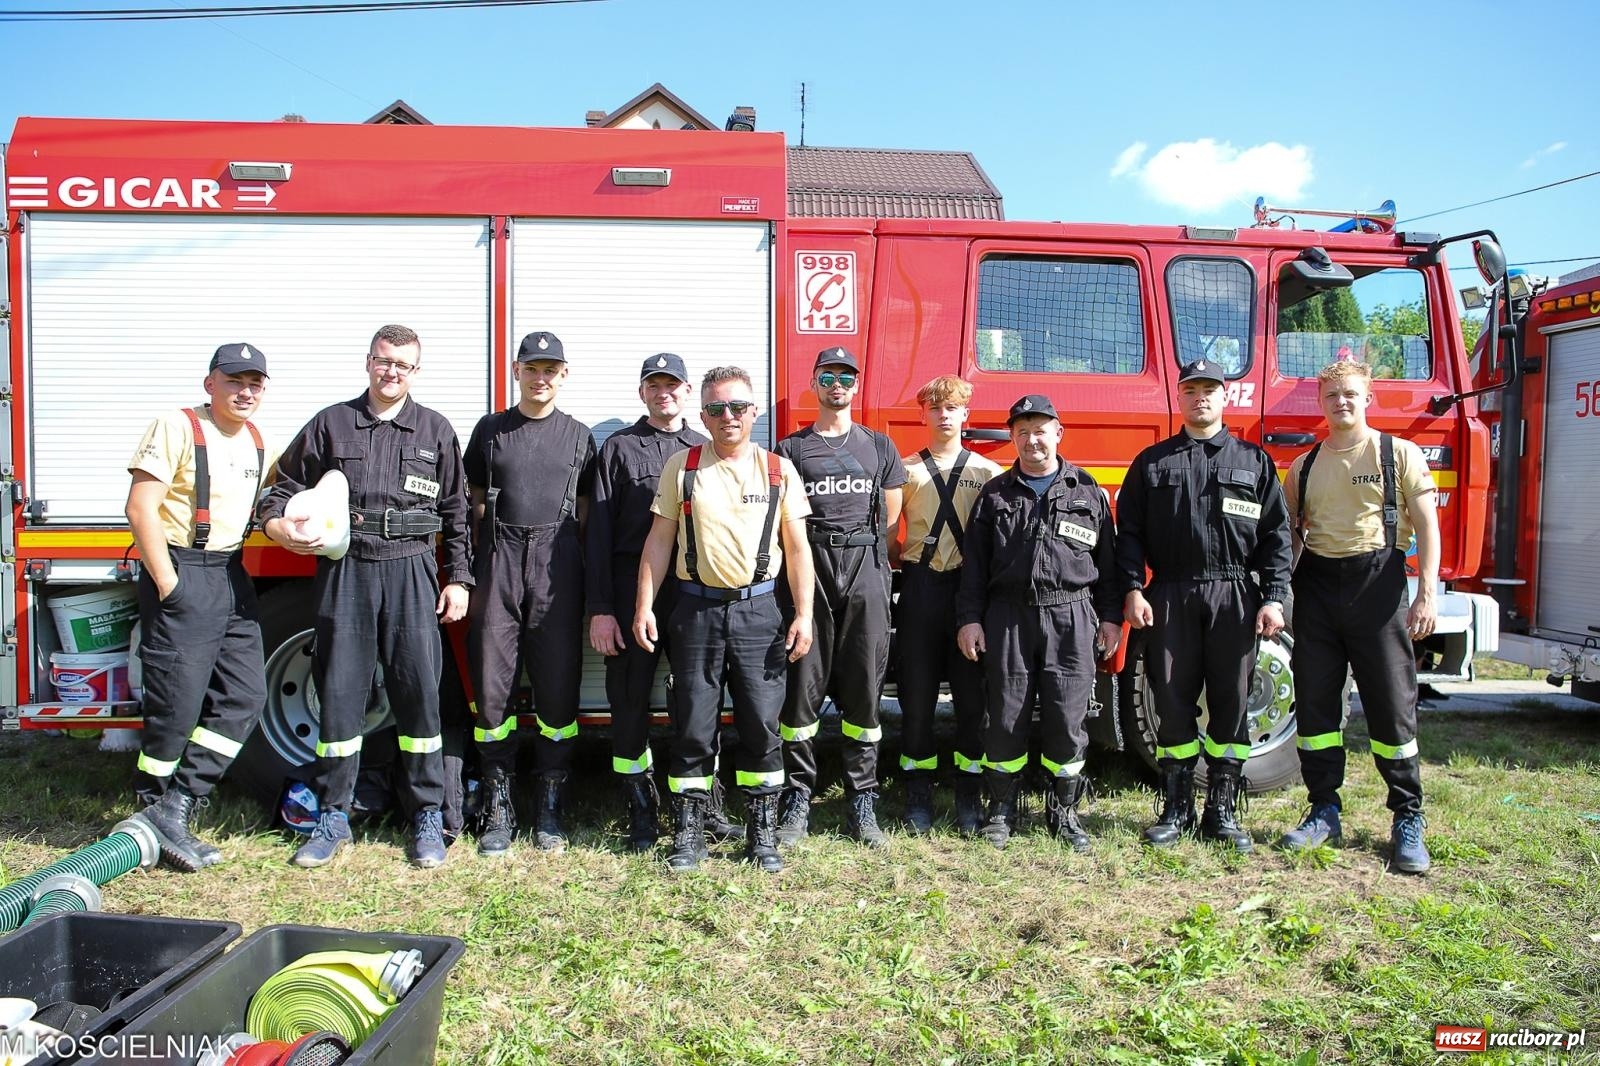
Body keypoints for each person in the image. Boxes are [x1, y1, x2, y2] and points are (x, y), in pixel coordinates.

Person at [260, 324, 472, 870]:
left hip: (411, 569)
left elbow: (456, 512)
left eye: (403, 364)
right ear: (368, 362)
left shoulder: (435, 429)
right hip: (346, 570)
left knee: (418, 695)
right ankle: (333, 815)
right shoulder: (331, 424)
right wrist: (279, 527)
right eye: (384, 360)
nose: (391, 371)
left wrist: (458, 579)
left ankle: (427, 813)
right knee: (340, 693)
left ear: (415, 371)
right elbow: (279, 489)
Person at [635, 366, 815, 873]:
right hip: (695, 611)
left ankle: (763, 832)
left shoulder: (778, 470)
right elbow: (658, 542)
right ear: (703, 415)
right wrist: (644, 605)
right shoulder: (683, 467)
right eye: (716, 408)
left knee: (761, 723)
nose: (727, 416)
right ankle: (689, 831)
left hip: (760, 612)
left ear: (754, 412)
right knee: (693, 723)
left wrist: (804, 614)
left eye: (737, 407)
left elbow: (798, 549)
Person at [1115, 360, 1293, 853]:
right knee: (1172, 701)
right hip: (1170, 593)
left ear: (1224, 397)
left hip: (1235, 595)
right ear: (1179, 398)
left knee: (1232, 702)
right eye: (1191, 390)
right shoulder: (1152, 463)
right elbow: (1129, 534)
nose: (1200, 398)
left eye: (1209, 390)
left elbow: (1276, 537)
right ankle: (1176, 809)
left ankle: (1222, 810)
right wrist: (1133, 588)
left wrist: (1274, 597)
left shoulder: (1252, 462)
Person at [1278, 360, 1438, 874]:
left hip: (1379, 586)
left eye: (1350, 394)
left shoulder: (1398, 453)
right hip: (1318, 590)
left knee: (1392, 708)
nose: (1341, 402)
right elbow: (1291, 536)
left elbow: (1428, 526)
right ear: (1321, 403)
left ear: (1368, 398)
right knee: (1317, 709)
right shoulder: (1303, 466)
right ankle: (1323, 810)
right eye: (1332, 396)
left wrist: (1427, 594)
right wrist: (1278, 597)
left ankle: (1407, 817)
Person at [125, 343, 277, 871]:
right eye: (235, 381)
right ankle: (152, 809)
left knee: (245, 696)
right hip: (183, 568)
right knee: (177, 705)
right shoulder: (176, 426)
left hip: (230, 574)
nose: (245, 392)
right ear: (210, 383)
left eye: (255, 383)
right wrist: (169, 584)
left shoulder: (257, 439)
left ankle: (180, 801)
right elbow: (140, 507)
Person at [956, 395, 1123, 851]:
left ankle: (1064, 810)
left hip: (1071, 614)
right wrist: (970, 620)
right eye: (1023, 432)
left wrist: (1110, 618)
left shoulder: (1086, 491)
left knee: (1068, 716)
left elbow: (1108, 564)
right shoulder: (995, 494)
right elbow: (974, 568)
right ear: (1013, 437)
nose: (1033, 440)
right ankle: (1001, 809)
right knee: (1005, 715)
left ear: (1058, 434)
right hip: (1008, 615)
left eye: (1041, 430)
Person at [586, 352, 730, 853]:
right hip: (631, 588)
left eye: (673, 384)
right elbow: (597, 534)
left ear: (688, 392)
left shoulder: (707, 448)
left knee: (698, 700)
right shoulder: (619, 449)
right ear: (642, 392)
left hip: (692, 590)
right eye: (654, 385)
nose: (663, 393)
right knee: (629, 702)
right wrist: (601, 608)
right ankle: (640, 808)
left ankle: (704, 805)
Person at [462, 331, 597, 856]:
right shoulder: (490, 430)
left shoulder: (579, 436)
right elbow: (473, 496)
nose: (541, 378)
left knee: (557, 689)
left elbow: (586, 507)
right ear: (516, 370)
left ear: (564, 375)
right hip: (499, 558)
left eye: (551, 370)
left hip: (556, 565)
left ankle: (549, 804)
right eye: (532, 368)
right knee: (492, 688)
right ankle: (498, 804)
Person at [773, 347, 906, 848]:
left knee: (865, 692)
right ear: (813, 383)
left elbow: (891, 519)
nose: (837, 386)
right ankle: (797, 799)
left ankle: (862, 800)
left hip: (865, 571)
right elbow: (783, 521)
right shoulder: (791, 449)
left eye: (845, 378)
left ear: (856, 386)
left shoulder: (879, 446)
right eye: (827, 377)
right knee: (801, 693)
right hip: (811, 572)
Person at [891, 375, 1002, 835]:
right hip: (920, 589)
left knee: (973, 700)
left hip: (968, 593)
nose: (943, 415)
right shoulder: (903, 470)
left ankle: (968, 792)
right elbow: (888, 539)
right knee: (916, 698)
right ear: (923, 415)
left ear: (965, 415)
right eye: (935, 408)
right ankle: (917, 791)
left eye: (951, 408)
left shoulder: (989, 473)